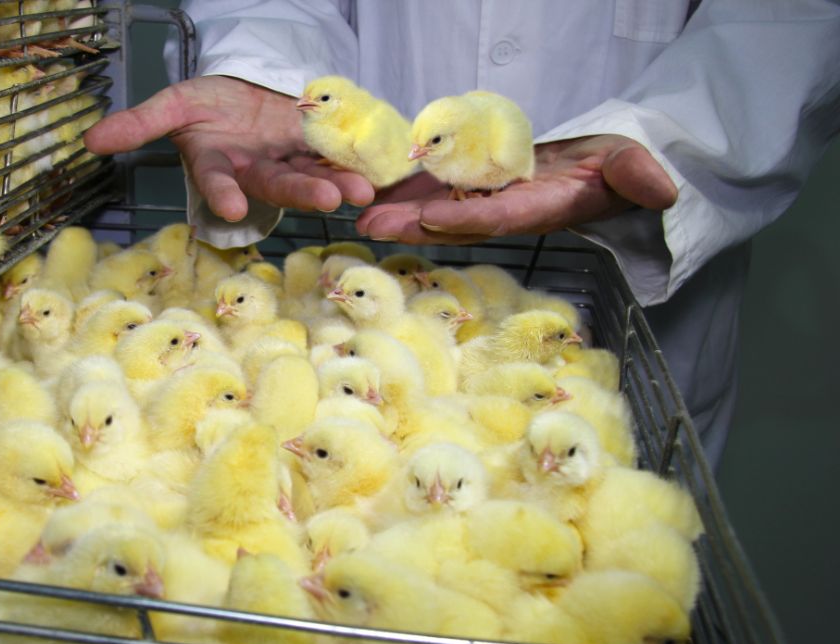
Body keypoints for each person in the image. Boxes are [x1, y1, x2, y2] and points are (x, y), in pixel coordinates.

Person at [85, 0, 840, 468]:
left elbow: (791, 17)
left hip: (643, 317)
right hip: (359, 237)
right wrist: (266, 70)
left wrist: (674, 134)